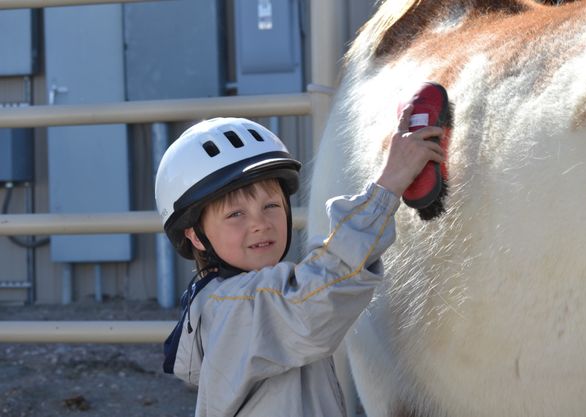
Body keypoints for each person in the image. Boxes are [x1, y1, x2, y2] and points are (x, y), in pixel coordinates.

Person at [154, 109, 444, 417]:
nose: (259, 224)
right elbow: (318, 299)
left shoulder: (228, 300)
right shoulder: (234, 306)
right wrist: (387, 186)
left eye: (271, 206)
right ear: (196, 236)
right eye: (235, 214)